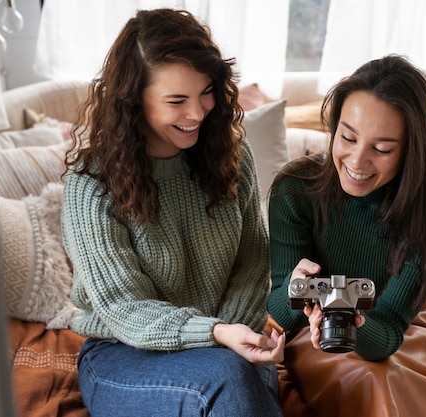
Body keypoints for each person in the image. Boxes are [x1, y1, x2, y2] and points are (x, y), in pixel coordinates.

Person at [60, 8, 285, 417]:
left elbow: (253, 261)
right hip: (122, 354)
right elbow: (123, 305)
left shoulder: (234, 157)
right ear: (133, 100)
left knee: (233, 378)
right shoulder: (91, 185)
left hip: (229, 350)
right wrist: (217, 334)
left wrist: (231, 338)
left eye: (205, 92)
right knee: (231, 381)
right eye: (177, 100)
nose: (198, 113)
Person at [267, 54, 426, 361]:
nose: (357, 162)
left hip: (400, 326)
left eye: (382, 149)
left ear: (412, 152)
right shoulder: (295, 188)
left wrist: (355, 322)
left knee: (376, 381)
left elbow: (388, 331)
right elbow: (283, 315)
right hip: (315, 331)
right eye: (348, 137)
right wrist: (296, 290)